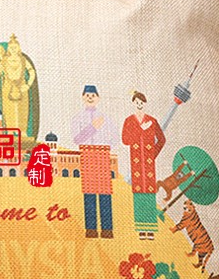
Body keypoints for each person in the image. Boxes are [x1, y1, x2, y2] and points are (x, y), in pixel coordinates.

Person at [71, 85, 118, 238]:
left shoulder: (105, 118)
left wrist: (106, 145)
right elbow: (77, 139)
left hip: (102, 154)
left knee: (105, 192)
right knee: (89, 192)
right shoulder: (78, 117)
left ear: (98, 98)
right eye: (87, 95)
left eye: (93, 95)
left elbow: (114, 137)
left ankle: (107, 229)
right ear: (83, 97)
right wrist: (92, 128)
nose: (90, 98)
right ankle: (91, 229)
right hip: (87, 154)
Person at [121, 91, 165, 240]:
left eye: (141, 103)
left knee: (150, 192)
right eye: (137, 103)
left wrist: (152, 154)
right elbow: (125, 140)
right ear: (133, 104)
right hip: (136, 162)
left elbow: (161, 139)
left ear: (145, 104)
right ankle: (141, 228)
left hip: (148, 163)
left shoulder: (152, 121)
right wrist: (141, 130)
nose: (139, 105)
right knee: (138, 191)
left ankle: (150, 229)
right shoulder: (129, 121)